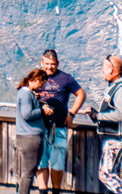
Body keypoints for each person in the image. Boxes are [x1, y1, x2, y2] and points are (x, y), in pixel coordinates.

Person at [35, 49, 86, 194]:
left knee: (57, 164)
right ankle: (42, 191)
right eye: (46, 64)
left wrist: (71, 113)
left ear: (57, 63)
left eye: (52, 64)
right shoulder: (37, 76)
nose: (49, 67)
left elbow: (81, 94)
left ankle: (55, 191)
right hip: (38, 126)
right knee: (40, 161)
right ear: (42, 63)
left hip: (59, 127)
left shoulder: (66, 78)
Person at [85, 54, 122, 194]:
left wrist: (98, 115)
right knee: (109, 174)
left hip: (117, 139)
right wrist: (96, 117)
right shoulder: (115, 86)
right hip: (111, 137)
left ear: (111, 70)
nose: (102, 71)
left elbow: (121, 114)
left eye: (104, 68)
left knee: (107, 175)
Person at [15, 68, 53, 194]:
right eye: (41, 83)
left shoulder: (28, 93)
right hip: (30, 137)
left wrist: (37, 101)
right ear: (36, 80)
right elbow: (27, 114)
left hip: (29, 136)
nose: (41, 86)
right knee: (29, 172)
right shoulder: (25, 94)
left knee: (29, 171)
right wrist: (43, 110)